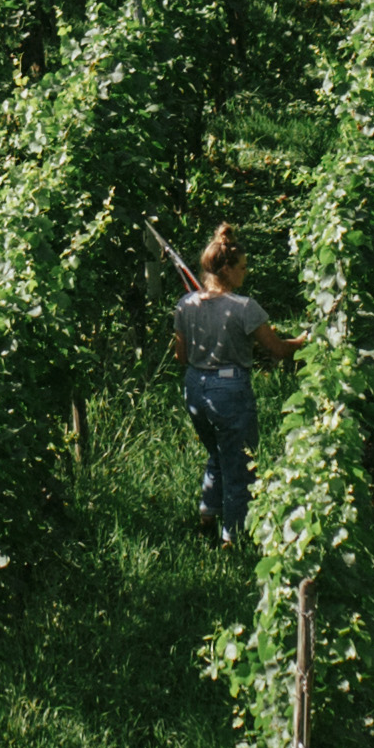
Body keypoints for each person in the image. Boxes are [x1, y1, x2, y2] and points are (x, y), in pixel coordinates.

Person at [158, 222, 292, 547]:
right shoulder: (245, 308)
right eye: (242, 268)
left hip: (194, 390)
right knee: (241, 465)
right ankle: (233, 538)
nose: (245, 274)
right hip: (229, 391)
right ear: (227, 270)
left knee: (216, 452)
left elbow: (181, 356)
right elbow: (276, 349)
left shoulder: (185, 304)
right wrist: (302, 341)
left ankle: (208, 513)